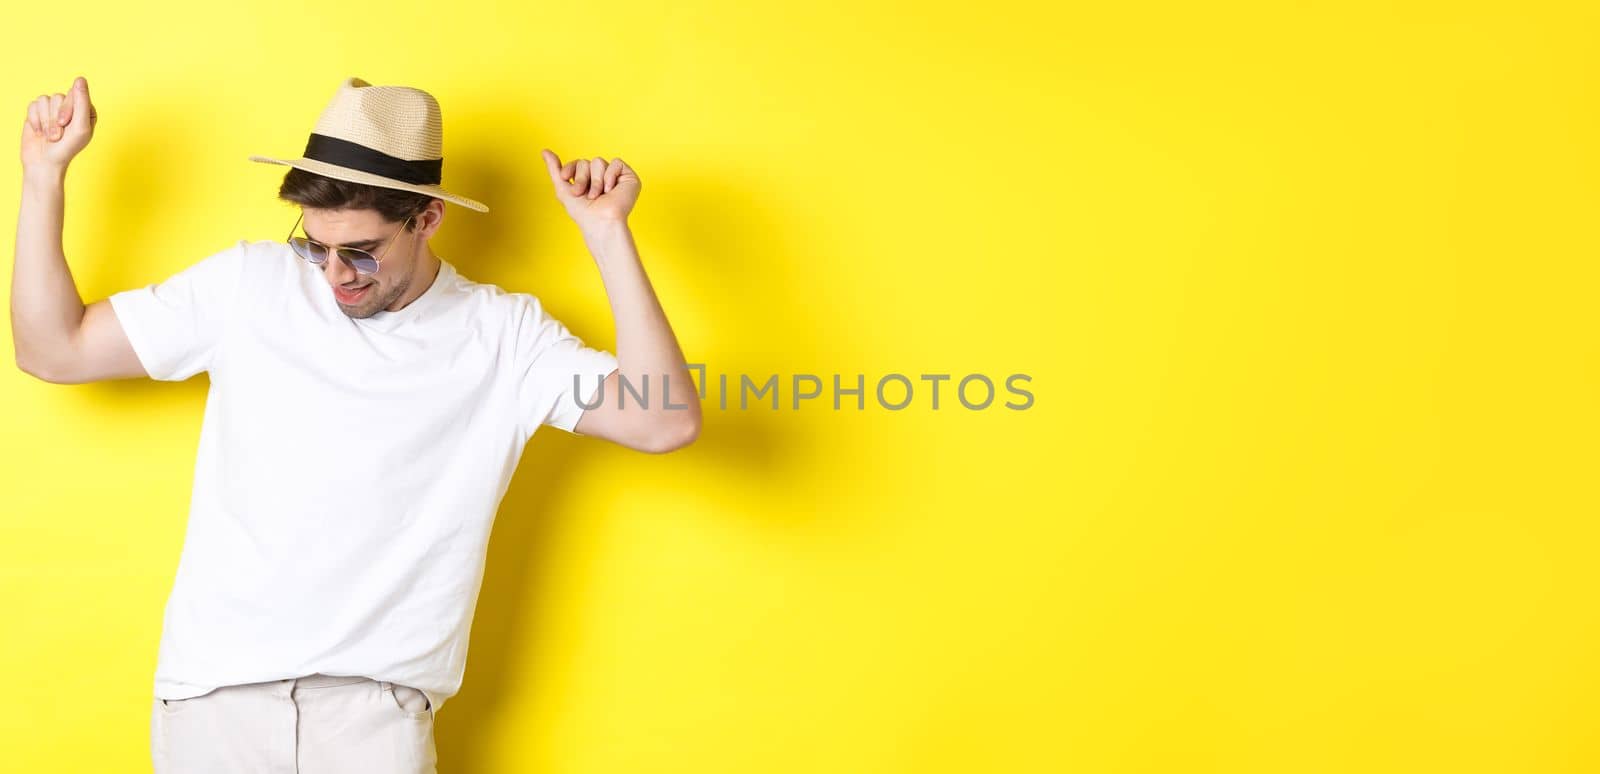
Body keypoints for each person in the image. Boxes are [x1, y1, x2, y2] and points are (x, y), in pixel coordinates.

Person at [12, 75, 701, 773]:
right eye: (316, 247)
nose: (335, 274)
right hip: (213, 705)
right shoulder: (250, 284)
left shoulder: (503, 336)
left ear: (427, 218)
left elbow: (662, 421)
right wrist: (44, 175)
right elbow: (52, 349)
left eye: (363, 251)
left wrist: (608, 235)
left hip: (374, 720)